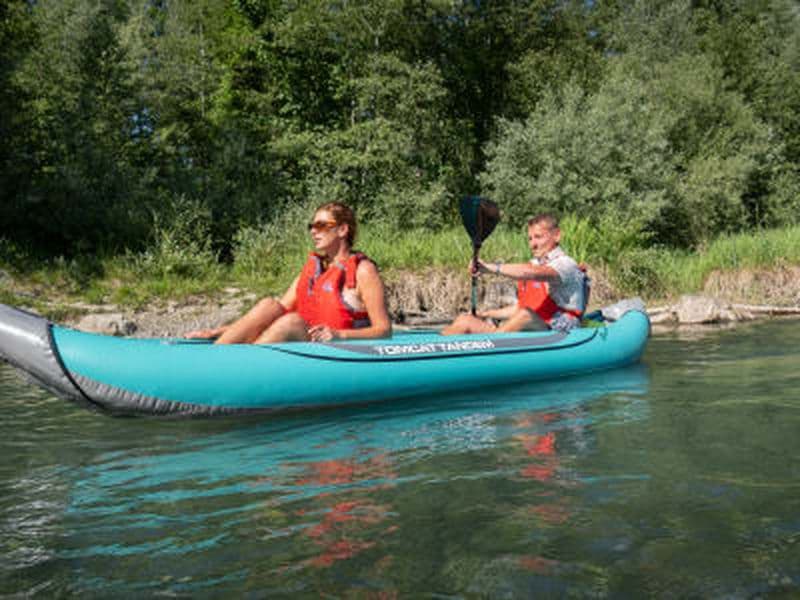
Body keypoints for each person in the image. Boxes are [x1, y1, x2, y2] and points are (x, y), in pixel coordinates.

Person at [186, 202, 392, 344]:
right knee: (270, 305)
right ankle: (219, 352)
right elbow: (272, 313)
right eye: (312, 226)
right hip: (303, 345)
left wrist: (339, 335)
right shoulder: (315, 271)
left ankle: (242, 366)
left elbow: (383, 330)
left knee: (292, 322)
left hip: (338, 350)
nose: (313, 231)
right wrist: (217, 332)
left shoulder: (364, 271)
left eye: (321, 225)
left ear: (342, 230)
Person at [441, 213, 587, 336]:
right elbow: (519, 308)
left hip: (562, 331)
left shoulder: (566, 264)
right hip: (534, 325)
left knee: (525, 315)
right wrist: (486, 314)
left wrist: (490, 268)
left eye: (538, 237)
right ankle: (436, 351)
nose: (532, 244)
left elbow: (532, 274)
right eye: (530, 238)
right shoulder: (534, 264)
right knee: (465, 319)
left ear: (556, 235)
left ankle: (494, 346)